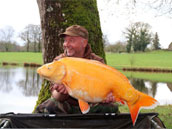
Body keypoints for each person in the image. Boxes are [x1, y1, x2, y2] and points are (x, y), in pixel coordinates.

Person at [35, 25, 119, 114]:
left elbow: (107, 88)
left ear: (84, 43)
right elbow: (55, 96)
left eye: (71, 40)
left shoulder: (97, 62)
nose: (66, 44)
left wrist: (108, 97)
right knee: (48, 106)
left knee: (111, 108)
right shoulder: (59, 63)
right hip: (67, 105)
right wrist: (62, 92)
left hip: (91, 104)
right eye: (65, 41)